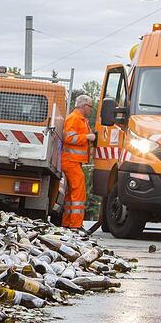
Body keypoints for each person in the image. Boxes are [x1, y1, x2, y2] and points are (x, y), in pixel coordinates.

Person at [61, 94, 96, 229]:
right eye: (90, 107)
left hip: (74, 161)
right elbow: (69, 138)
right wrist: (87, 137)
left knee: (71, 194)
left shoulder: (81, 120)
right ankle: (75, 225)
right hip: (71, 161)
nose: (91, 110)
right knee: (78, 192)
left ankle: (67, 223)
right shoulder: (74, 118)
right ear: (83, 106)